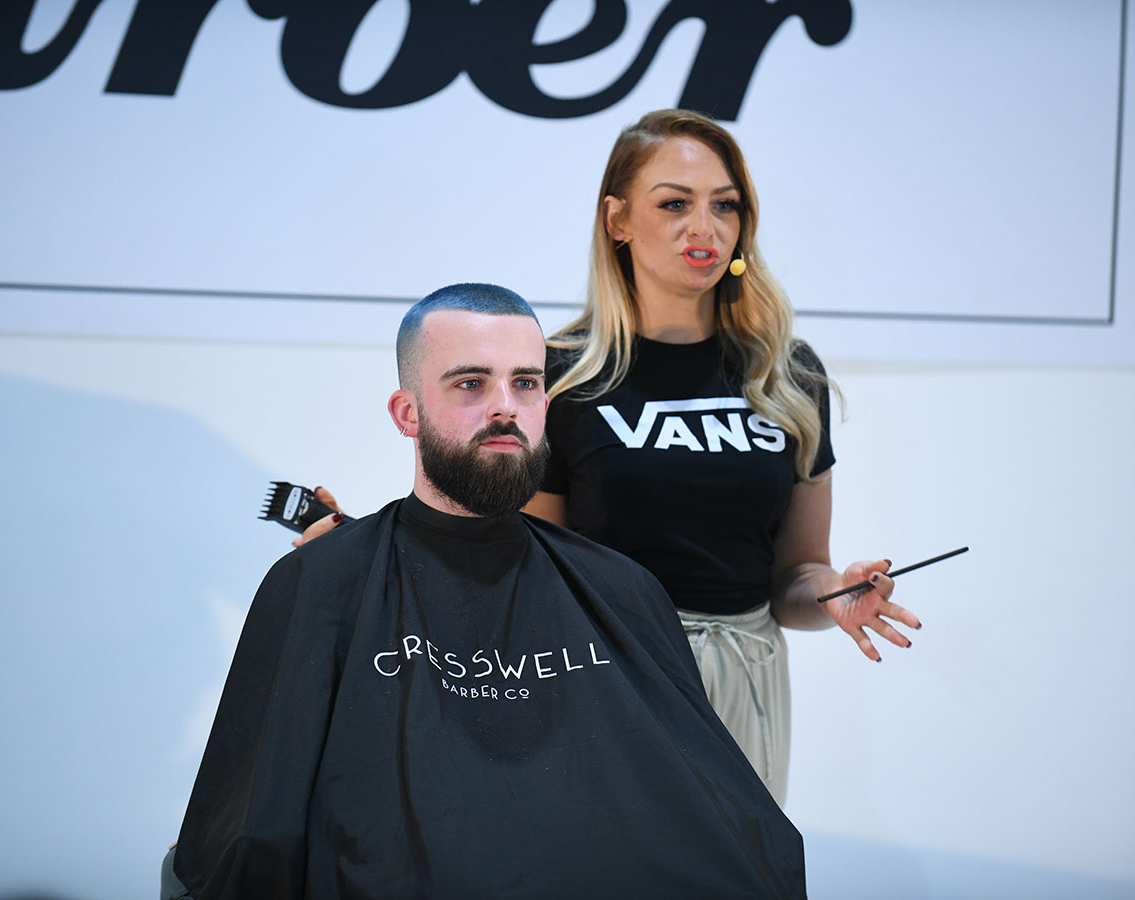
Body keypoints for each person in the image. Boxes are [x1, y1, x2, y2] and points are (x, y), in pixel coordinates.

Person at [299, 110, 920, 804]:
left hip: (746, 684)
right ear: (618, 219)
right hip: (603, 679)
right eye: (675, 204)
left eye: (725, 205)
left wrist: (835, 596)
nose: (704, 227)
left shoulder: (789, 375)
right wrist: (377, 561)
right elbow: (517, 568)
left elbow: (795, 576)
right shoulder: (557, 377)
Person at [166, 283, 806, 899]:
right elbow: (251, 838)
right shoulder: (321, 581)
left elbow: (726, 824)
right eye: (470, 383)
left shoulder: (623, 589)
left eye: (525, 383)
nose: (505, 406)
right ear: (407, 413)